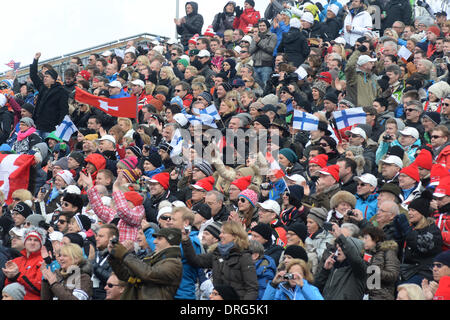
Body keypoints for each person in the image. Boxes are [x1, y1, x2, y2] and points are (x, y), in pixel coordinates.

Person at [181, 220, 259, 300]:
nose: (220, 235)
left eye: (224, 233)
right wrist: (186, 240)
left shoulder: (244, 257)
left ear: (235, 236)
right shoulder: (217, 254)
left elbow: (252, 288)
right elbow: (195, 260)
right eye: (220, 232)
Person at [108, 228, 183, 300]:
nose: (154, 241)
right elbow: (126, 276)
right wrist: (114, 257)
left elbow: (149, 274)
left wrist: (125, 255)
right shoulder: (150, 258)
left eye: (159, 238)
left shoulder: (174, 264)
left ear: (171, 242)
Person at [314, 223, 367, 300]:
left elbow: (354, 258)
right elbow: (315, 291)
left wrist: (340, 236)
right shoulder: (333, 267)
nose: (338, 249)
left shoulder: (359, 269)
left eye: (342, 247)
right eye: (338, 246)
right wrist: (325, 271)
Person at [30, 52, 69, 139]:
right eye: (44, 76)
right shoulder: (42, 88)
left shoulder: (61, 91)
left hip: (51, 128)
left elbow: (64, 111)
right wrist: (35, 60)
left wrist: (59, 127)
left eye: (47, 76)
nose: (44, 78)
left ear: (53, 79)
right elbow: (33, 76)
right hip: (38, 126)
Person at [2, 227, 45, 300]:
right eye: (29, 239)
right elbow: (7, 288)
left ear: (41, 244)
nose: (32, 243)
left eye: (36, 240)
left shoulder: (43, 262)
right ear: (24, 242)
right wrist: (10, 277)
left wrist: (17, 276)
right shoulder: (16, 261)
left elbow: (40, 288)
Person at [361, 226, 400, 300]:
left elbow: (393, 275)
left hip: (382, 296)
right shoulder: (366, 253)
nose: (363, 241)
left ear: (376, 238)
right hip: (366, 295)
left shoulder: (388, 251)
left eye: (366, 238)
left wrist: (373, 270)